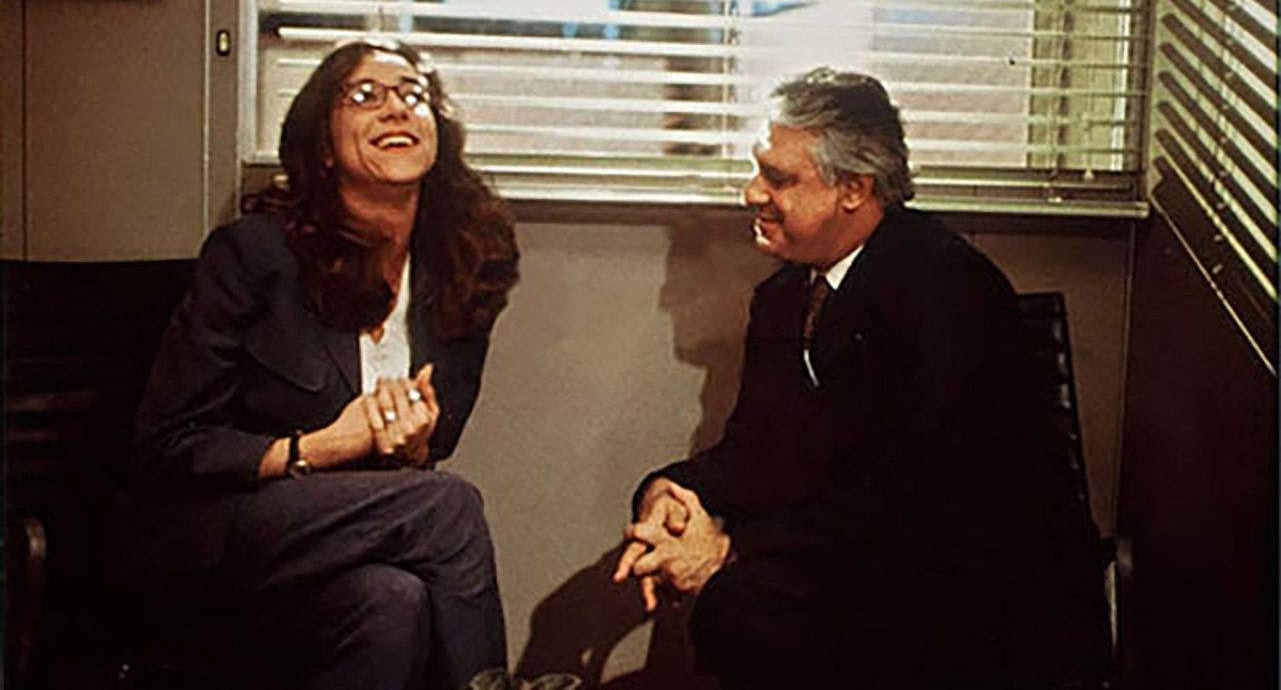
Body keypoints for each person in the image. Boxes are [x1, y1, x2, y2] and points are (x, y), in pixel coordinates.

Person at [613, 68, 1113, 688]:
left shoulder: (945, 287)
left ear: (854, 188)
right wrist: (673, 495)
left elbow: (920, 504)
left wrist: (729, 552)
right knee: (739, 607)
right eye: (757, 170)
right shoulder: (783, 296)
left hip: (978, 599)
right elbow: (760, 452)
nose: (751, 193)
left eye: (778, 179)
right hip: (869, 569)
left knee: (739, 607)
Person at [127, 39, 518, 689]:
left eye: (413, 95)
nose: (396, 108)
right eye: (365, 96)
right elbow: (164, 448)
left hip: (355, 546)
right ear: (325, 146)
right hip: (221, 534)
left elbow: (435, 444)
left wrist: (414, 447)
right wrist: (319, 448)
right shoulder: (253, 256)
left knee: (393, 604)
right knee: (449, 506)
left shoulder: (463, 266)